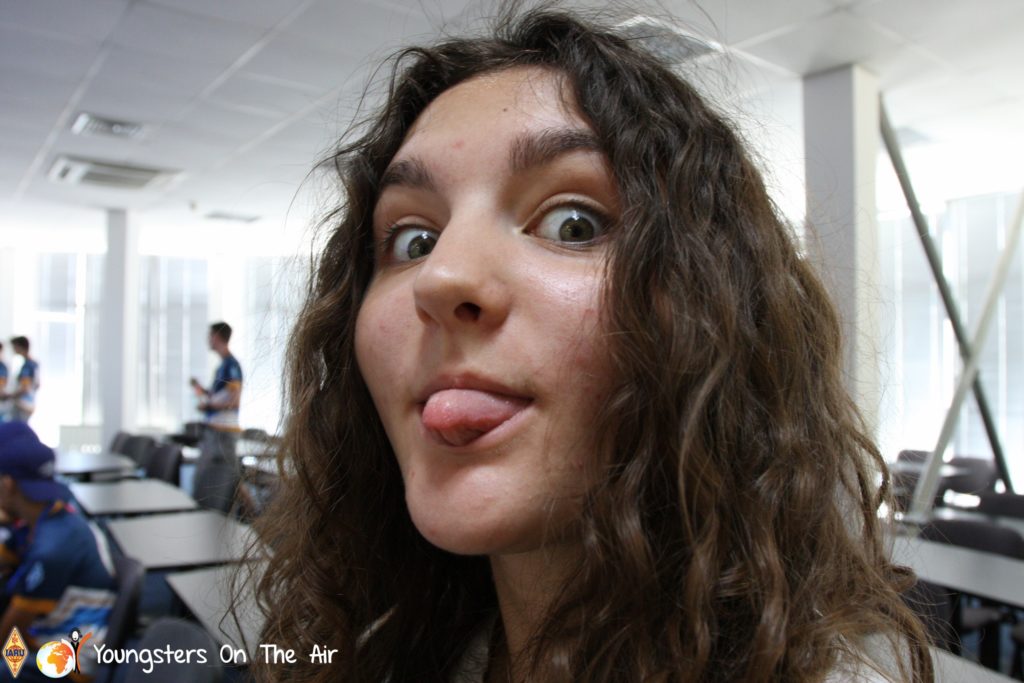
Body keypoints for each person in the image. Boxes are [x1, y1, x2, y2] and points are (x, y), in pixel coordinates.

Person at [246, 7, 932, 682]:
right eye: (414, 240)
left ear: (710, 312)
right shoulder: (373, 659)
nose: (441, 276)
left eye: (573, 224)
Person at [0, 422, 115, 682]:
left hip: (70, 658)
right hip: (49, 627)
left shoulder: (51, 548)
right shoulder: (47, 513)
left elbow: (12, 629)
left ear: (8, 485)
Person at [189, 322, 243, 467]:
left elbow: (234, 401)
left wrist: (208, 406)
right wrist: (201, 390)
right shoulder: (222, 366)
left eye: (210, 335)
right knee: (208, 475)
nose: (208, 339)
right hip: (215, 430)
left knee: (221, 476)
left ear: (217, 337)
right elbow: (219, 396)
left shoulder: (231, 365)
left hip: (224, 432)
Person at [6, 337, 38, 423]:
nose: (13, 350)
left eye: (14, 347)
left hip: (23, 404)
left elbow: (25, 388)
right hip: (30, 402)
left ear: (19, 347)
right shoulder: (34, 364)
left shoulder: (27, 366)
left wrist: (9, 396)